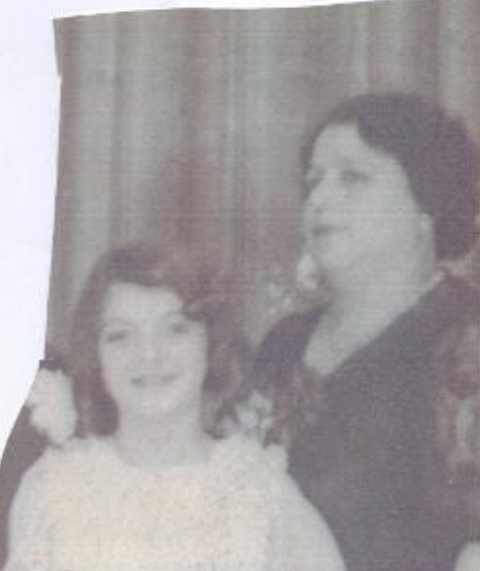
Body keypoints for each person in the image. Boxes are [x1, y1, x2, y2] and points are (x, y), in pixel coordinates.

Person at [3, 242, 345, 571]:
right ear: (97, 354)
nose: (149, 353)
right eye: (121, 335)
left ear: (210, 341)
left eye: (175, 329)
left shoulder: (261, 494)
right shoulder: (53, 490)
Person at [253, 92, 480, 571]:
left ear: (427, 202)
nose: (319, 199)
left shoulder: (468, 339)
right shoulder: (284, 344)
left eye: (352, 177)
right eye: (313, 182)